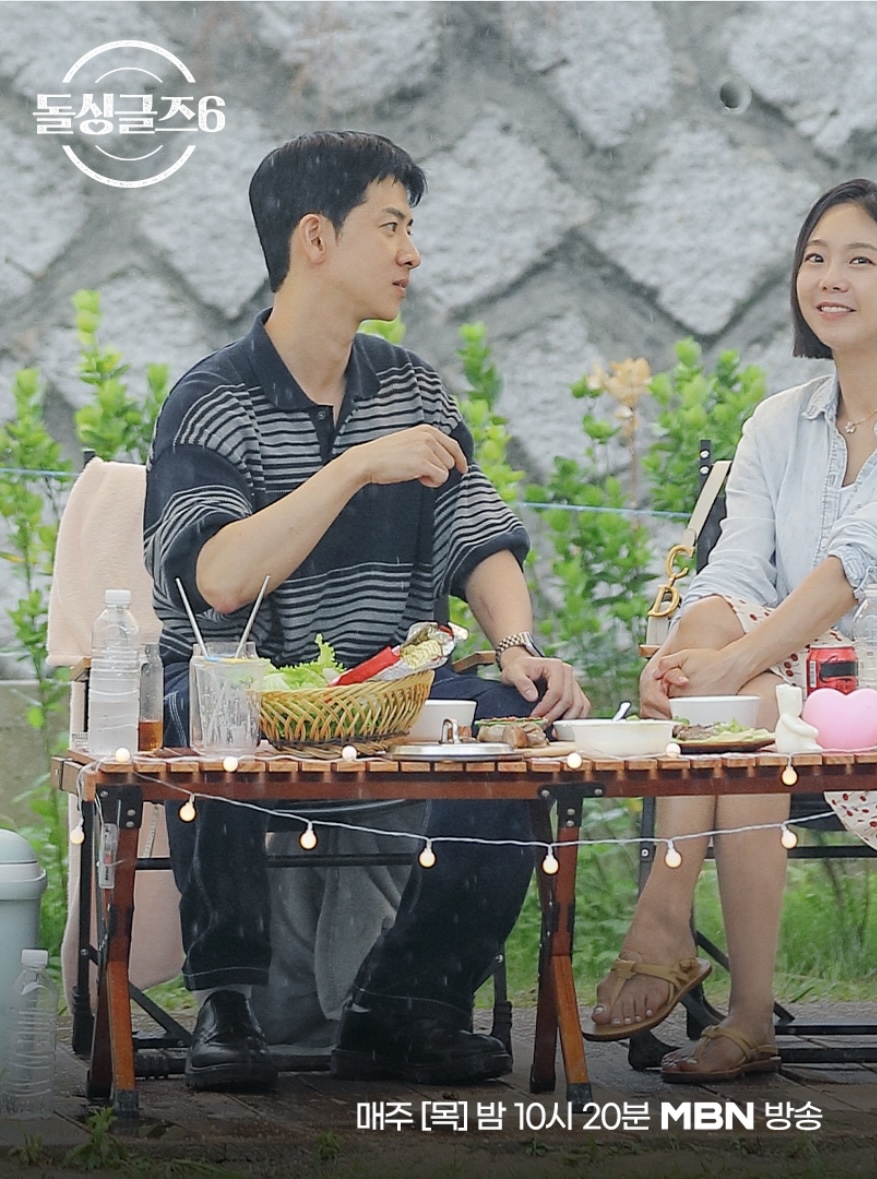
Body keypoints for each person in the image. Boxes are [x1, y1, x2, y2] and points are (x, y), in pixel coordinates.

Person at [143, 130, 590, 1091]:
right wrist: (353, 467)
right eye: (390, 226)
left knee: (516, 729)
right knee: (214, 712)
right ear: (315, 237)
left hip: (388, 692)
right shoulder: (212, 399)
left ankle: (407, 1004)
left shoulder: (413, 386)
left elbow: (476, 531)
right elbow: (217, 578)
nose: (410, 253)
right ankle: (228, 1003)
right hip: (240, 687)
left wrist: (517, 647)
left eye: (409, 228)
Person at [585, 179, 877, 1083]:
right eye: (815, 258)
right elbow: (736, 568)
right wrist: (682, 653)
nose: (829, 278)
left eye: (859, 260)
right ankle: (733, 1002)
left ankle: (670, 921)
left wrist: (729, 662)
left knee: (742, 698)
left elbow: (867, 559)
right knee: (725, 659)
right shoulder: (777, 423)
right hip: (789, 694)